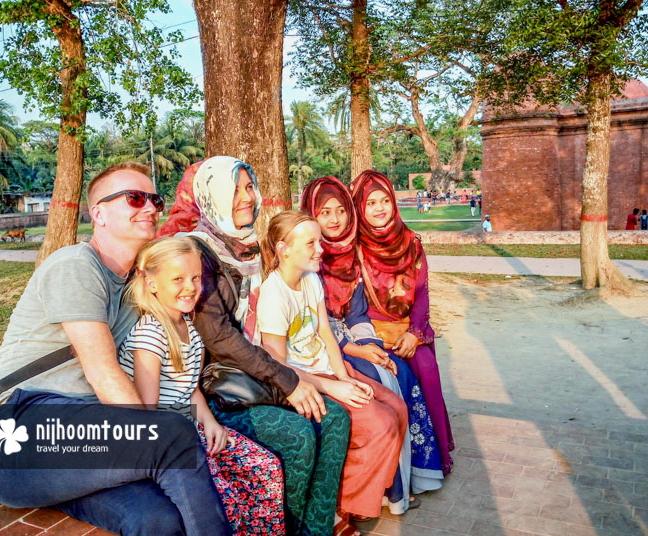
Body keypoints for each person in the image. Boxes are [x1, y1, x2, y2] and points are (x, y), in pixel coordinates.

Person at [0, 162, 230, 536]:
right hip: (16, 432)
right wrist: (159, 438)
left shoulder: (133, 286)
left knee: (158, 520)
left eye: (155, 200)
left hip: (79, 442)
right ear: (99, 213)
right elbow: (103, 372)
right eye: (134, 198)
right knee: (171, 436)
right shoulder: (76, 265)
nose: (151, 208)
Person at [159, 156, 351, 536]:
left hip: (258, 373)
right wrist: (290, 381)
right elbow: (219, 338)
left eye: (249, 187)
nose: (246, 197)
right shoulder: (198, 253)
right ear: (210, 195)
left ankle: (315, 530)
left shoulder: (248, 249)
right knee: (298, 435)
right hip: (217, 389)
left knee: (336, 418)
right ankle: (290, 528)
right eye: (234, 190)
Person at [118, 236, 285, 535]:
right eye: (178, 279)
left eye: (195, 277)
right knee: (227, 497)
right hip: (167, 441)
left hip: (190, 427)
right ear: (153, 284)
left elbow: (190, 388)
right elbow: (147, 412)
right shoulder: (150, 337)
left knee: (265, 466)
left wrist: (210, 424)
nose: (190, 287)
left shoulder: (190, 329)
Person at [302, 177, 444, 513]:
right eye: (325, 212)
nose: (335, 220)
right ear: (311, 214)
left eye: (340, 211)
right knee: (384, 381)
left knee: (401, 374)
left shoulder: (349, 253)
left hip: (353, 338)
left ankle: (411, 475)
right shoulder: (307, 255)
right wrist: (360, 350)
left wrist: (371, 344)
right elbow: (313, 323)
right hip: (320, 348)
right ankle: (388, 488)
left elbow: (356, 312)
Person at [258, 210, 407, 524]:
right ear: (284, 249)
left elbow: (325, 331)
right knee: (379, 423)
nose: (320, 249)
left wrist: (344, 376)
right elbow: (276, 363)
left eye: (319, 241)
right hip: (305, 381)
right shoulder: (274, 294)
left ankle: (357, 495)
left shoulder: (310, 279)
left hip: (329, 371)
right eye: (310, 243)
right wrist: (332, 386)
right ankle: (342, 505)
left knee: (397, 407)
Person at [350, 170, 455, 475]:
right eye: (371, 203)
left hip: (409, 331)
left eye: (385, 201)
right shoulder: (353, 248)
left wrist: (415, 333)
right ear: (360, 207)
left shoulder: (410, 242)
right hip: (371, 333)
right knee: (397, 377)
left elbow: (422, 293)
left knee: (426, 367)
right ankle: (399, 469)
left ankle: (435, 460)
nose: (380, 208)